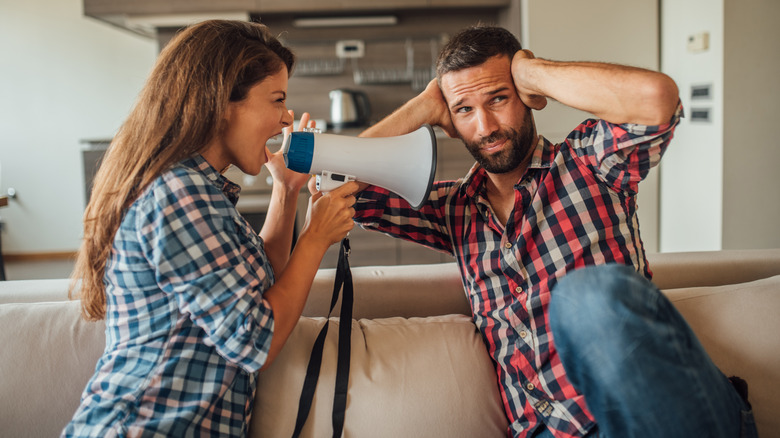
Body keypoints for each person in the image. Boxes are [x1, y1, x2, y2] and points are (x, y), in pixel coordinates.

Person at [352, 26, 755, 437]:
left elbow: (656, 101)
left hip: (650, 413)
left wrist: (532, 72)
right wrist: (425, 106)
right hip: (546, 431)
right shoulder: (454, 209)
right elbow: (345, 185)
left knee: (586, 294)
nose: (486, 126)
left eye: (498, 98)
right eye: (465, 111)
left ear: (526, 99)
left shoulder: (588, 163)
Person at [63, 20, 357, 437]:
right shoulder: (179, 195)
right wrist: (314, 238)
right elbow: (258, 340)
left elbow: (261, 289)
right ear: (221, 102)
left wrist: (287, 192)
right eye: (276, 100)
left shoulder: (201, 189)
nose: (286, 117)